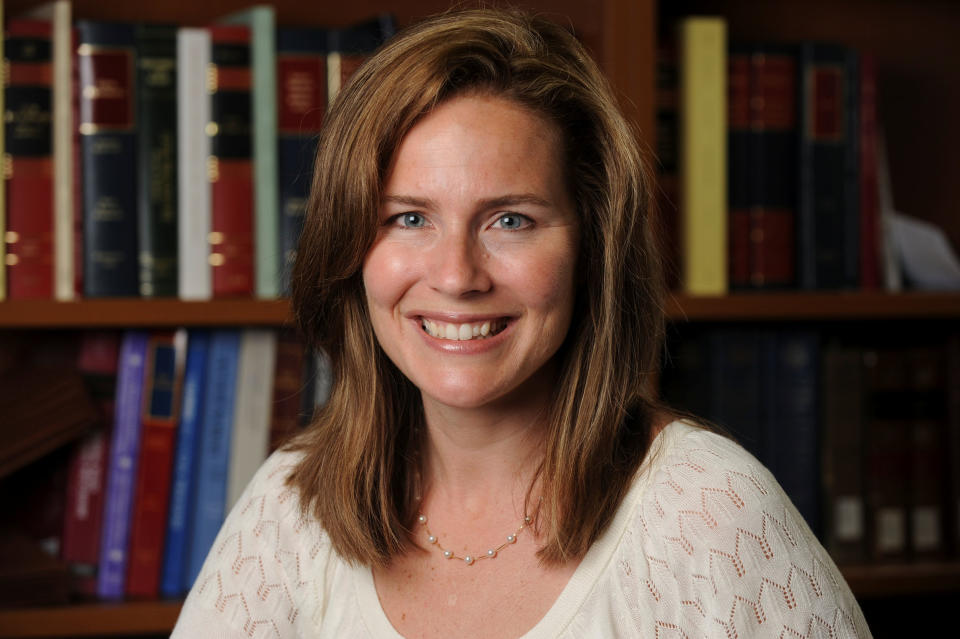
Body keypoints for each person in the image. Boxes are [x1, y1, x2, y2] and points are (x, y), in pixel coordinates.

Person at [172, 9, 871, 638]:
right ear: (351, 246)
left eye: (511, 219)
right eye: (408, 217)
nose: (456, 275)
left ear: (591, 248)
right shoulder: (291, 507)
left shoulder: (711, 516)